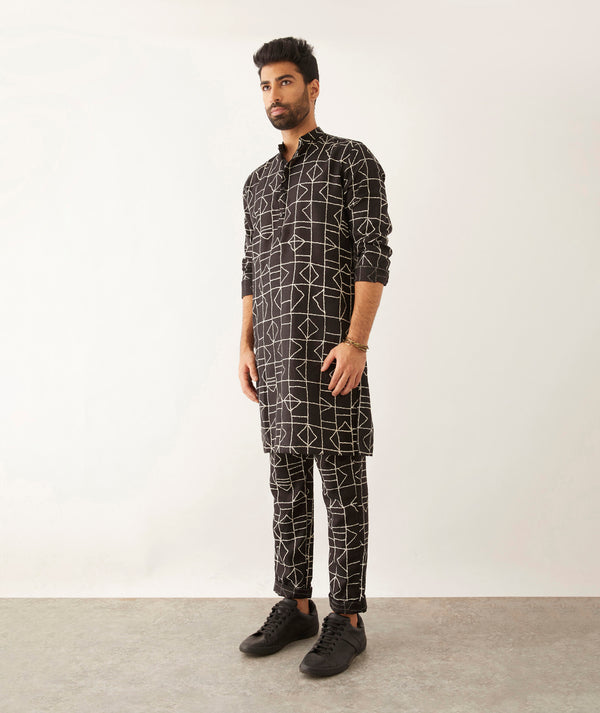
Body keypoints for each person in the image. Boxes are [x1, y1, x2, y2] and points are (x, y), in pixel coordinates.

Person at [237, 36, 392, 677]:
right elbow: (251, 268)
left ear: (313, 87)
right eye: (265, 86)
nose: (274, 95)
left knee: (343, 485)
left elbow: (374, 252)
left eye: (285, 82)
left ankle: (347, 619)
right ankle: (296, 605)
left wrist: (357, 342)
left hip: (332, 355)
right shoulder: (257, 183)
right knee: (287, 485)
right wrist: (245, 344)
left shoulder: (352, 160)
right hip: (274, 357)